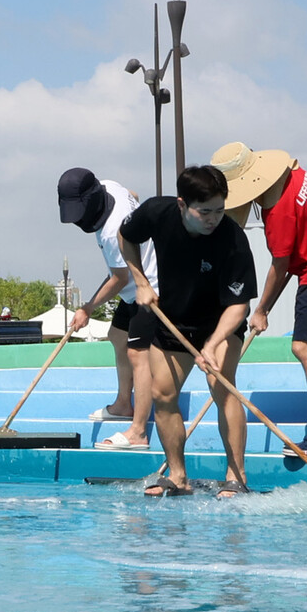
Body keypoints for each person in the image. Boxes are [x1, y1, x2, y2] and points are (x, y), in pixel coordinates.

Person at [211, 142, 307, 458]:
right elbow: (293, 256)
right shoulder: (293, 177)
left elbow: (280, 267)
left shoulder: (278, 213)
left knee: (304, 347)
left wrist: (261, 310)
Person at [118, 164, 257, 498]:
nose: (214, 218)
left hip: (219, 321)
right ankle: (178, 477)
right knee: (162, 394)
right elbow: (125, 237)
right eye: (205, 211)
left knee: (221, 384)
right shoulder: (156, 212)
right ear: (182, 205)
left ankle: (235, 477)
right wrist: (140, 281)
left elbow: (238, 306)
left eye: (220, 210)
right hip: (173, 318)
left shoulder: (233, 239)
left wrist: (212, 343)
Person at [57, 167, 159, 451]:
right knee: (117, 336)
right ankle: (124, 404)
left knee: (139, 355)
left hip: (149, 288)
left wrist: (87, 308)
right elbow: (133, 194)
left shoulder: (114, 232)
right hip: (131, 289)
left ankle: (138, 431)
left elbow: (119, 278)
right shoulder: (109, 186)